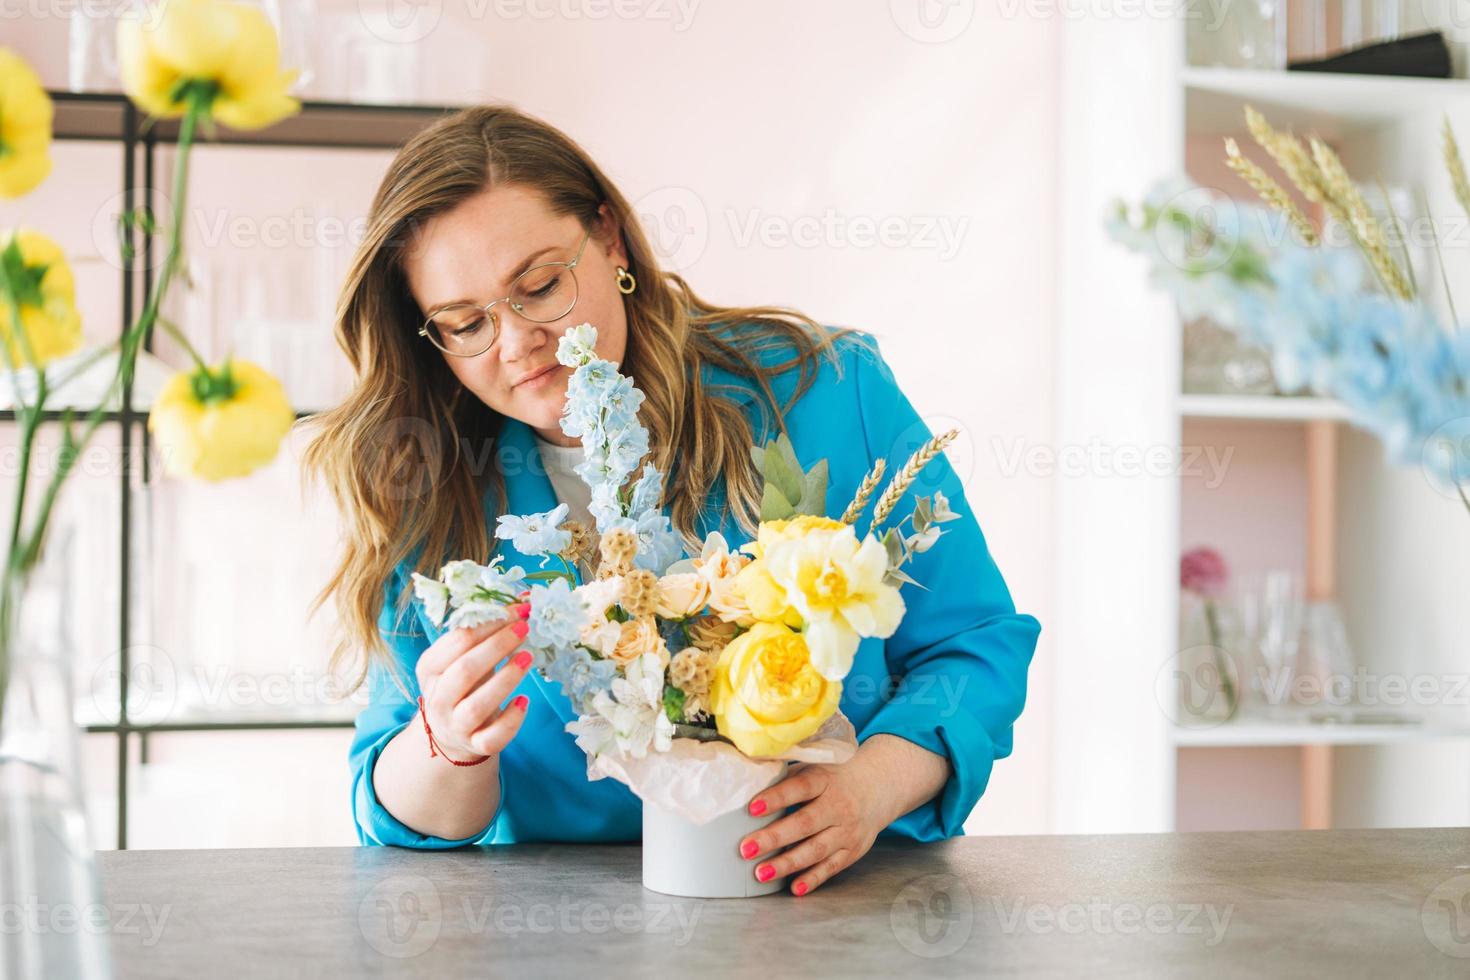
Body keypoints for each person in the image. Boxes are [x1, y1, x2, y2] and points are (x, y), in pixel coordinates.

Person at [303, 105, 1039, 897]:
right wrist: (447, 742)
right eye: (463, 323)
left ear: (610, 239)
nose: (515, 342)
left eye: (540, 286)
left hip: (822, 912)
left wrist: (870, 789)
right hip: (554, 943)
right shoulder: (427, 475)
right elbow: (395, 808)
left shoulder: (824, 388)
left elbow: (975, 646)